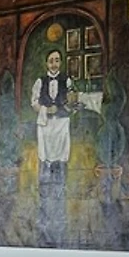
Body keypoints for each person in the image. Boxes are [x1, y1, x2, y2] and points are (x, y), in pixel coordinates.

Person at [31, 49, 76, 182]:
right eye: (51, 61)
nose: (54, 64)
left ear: (60, 62)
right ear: (46, 63)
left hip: (62, 122)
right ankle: (45, 175)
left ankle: (61, 175)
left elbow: (72, 102)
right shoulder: (40, 81)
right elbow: (34, 102)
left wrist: (66, 106)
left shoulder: (67, 80)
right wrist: (45, 110)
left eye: (56, 60)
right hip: (46, 122)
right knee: (45, 149)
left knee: (62, 148)